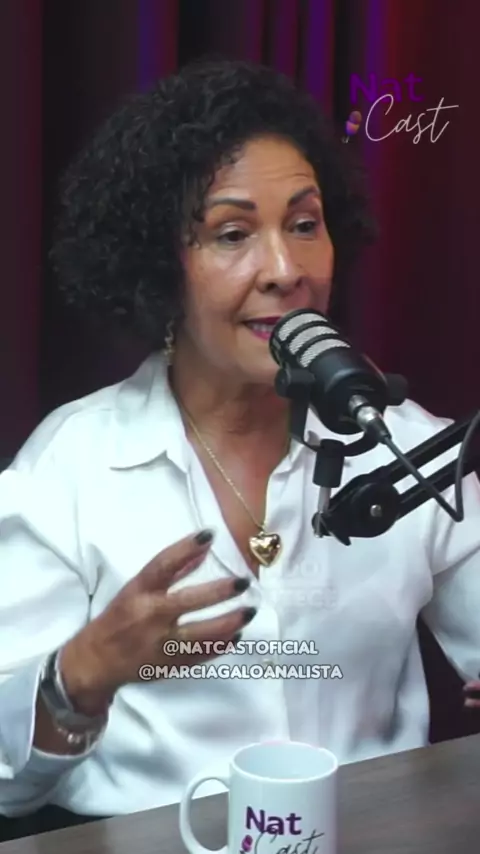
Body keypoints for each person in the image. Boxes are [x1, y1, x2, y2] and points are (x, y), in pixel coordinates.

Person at [1, 56, 480, 823]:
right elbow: (6, 784)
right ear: (160, 267)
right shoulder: (70, 469)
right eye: (232, 234)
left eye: (305, 225)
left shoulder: (405, 445)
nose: (286, 270)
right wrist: (81, 675)